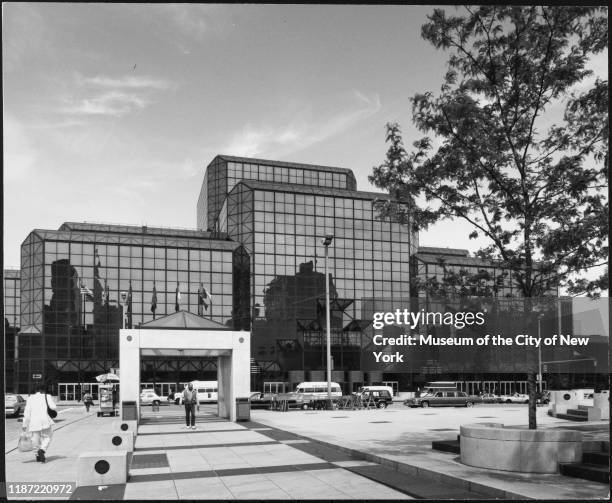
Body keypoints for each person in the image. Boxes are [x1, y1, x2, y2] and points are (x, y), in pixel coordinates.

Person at [23, 384, 57, 463]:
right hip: (45, 420)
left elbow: (27, 412)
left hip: (34, 421)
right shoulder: (47, 396)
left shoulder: (30, 398)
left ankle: (37, 455)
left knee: (35, 439)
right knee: (48, 436)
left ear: (35, 390)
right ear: (43, 390)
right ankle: (42, 450)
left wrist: (25, 424)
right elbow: (53, 407)